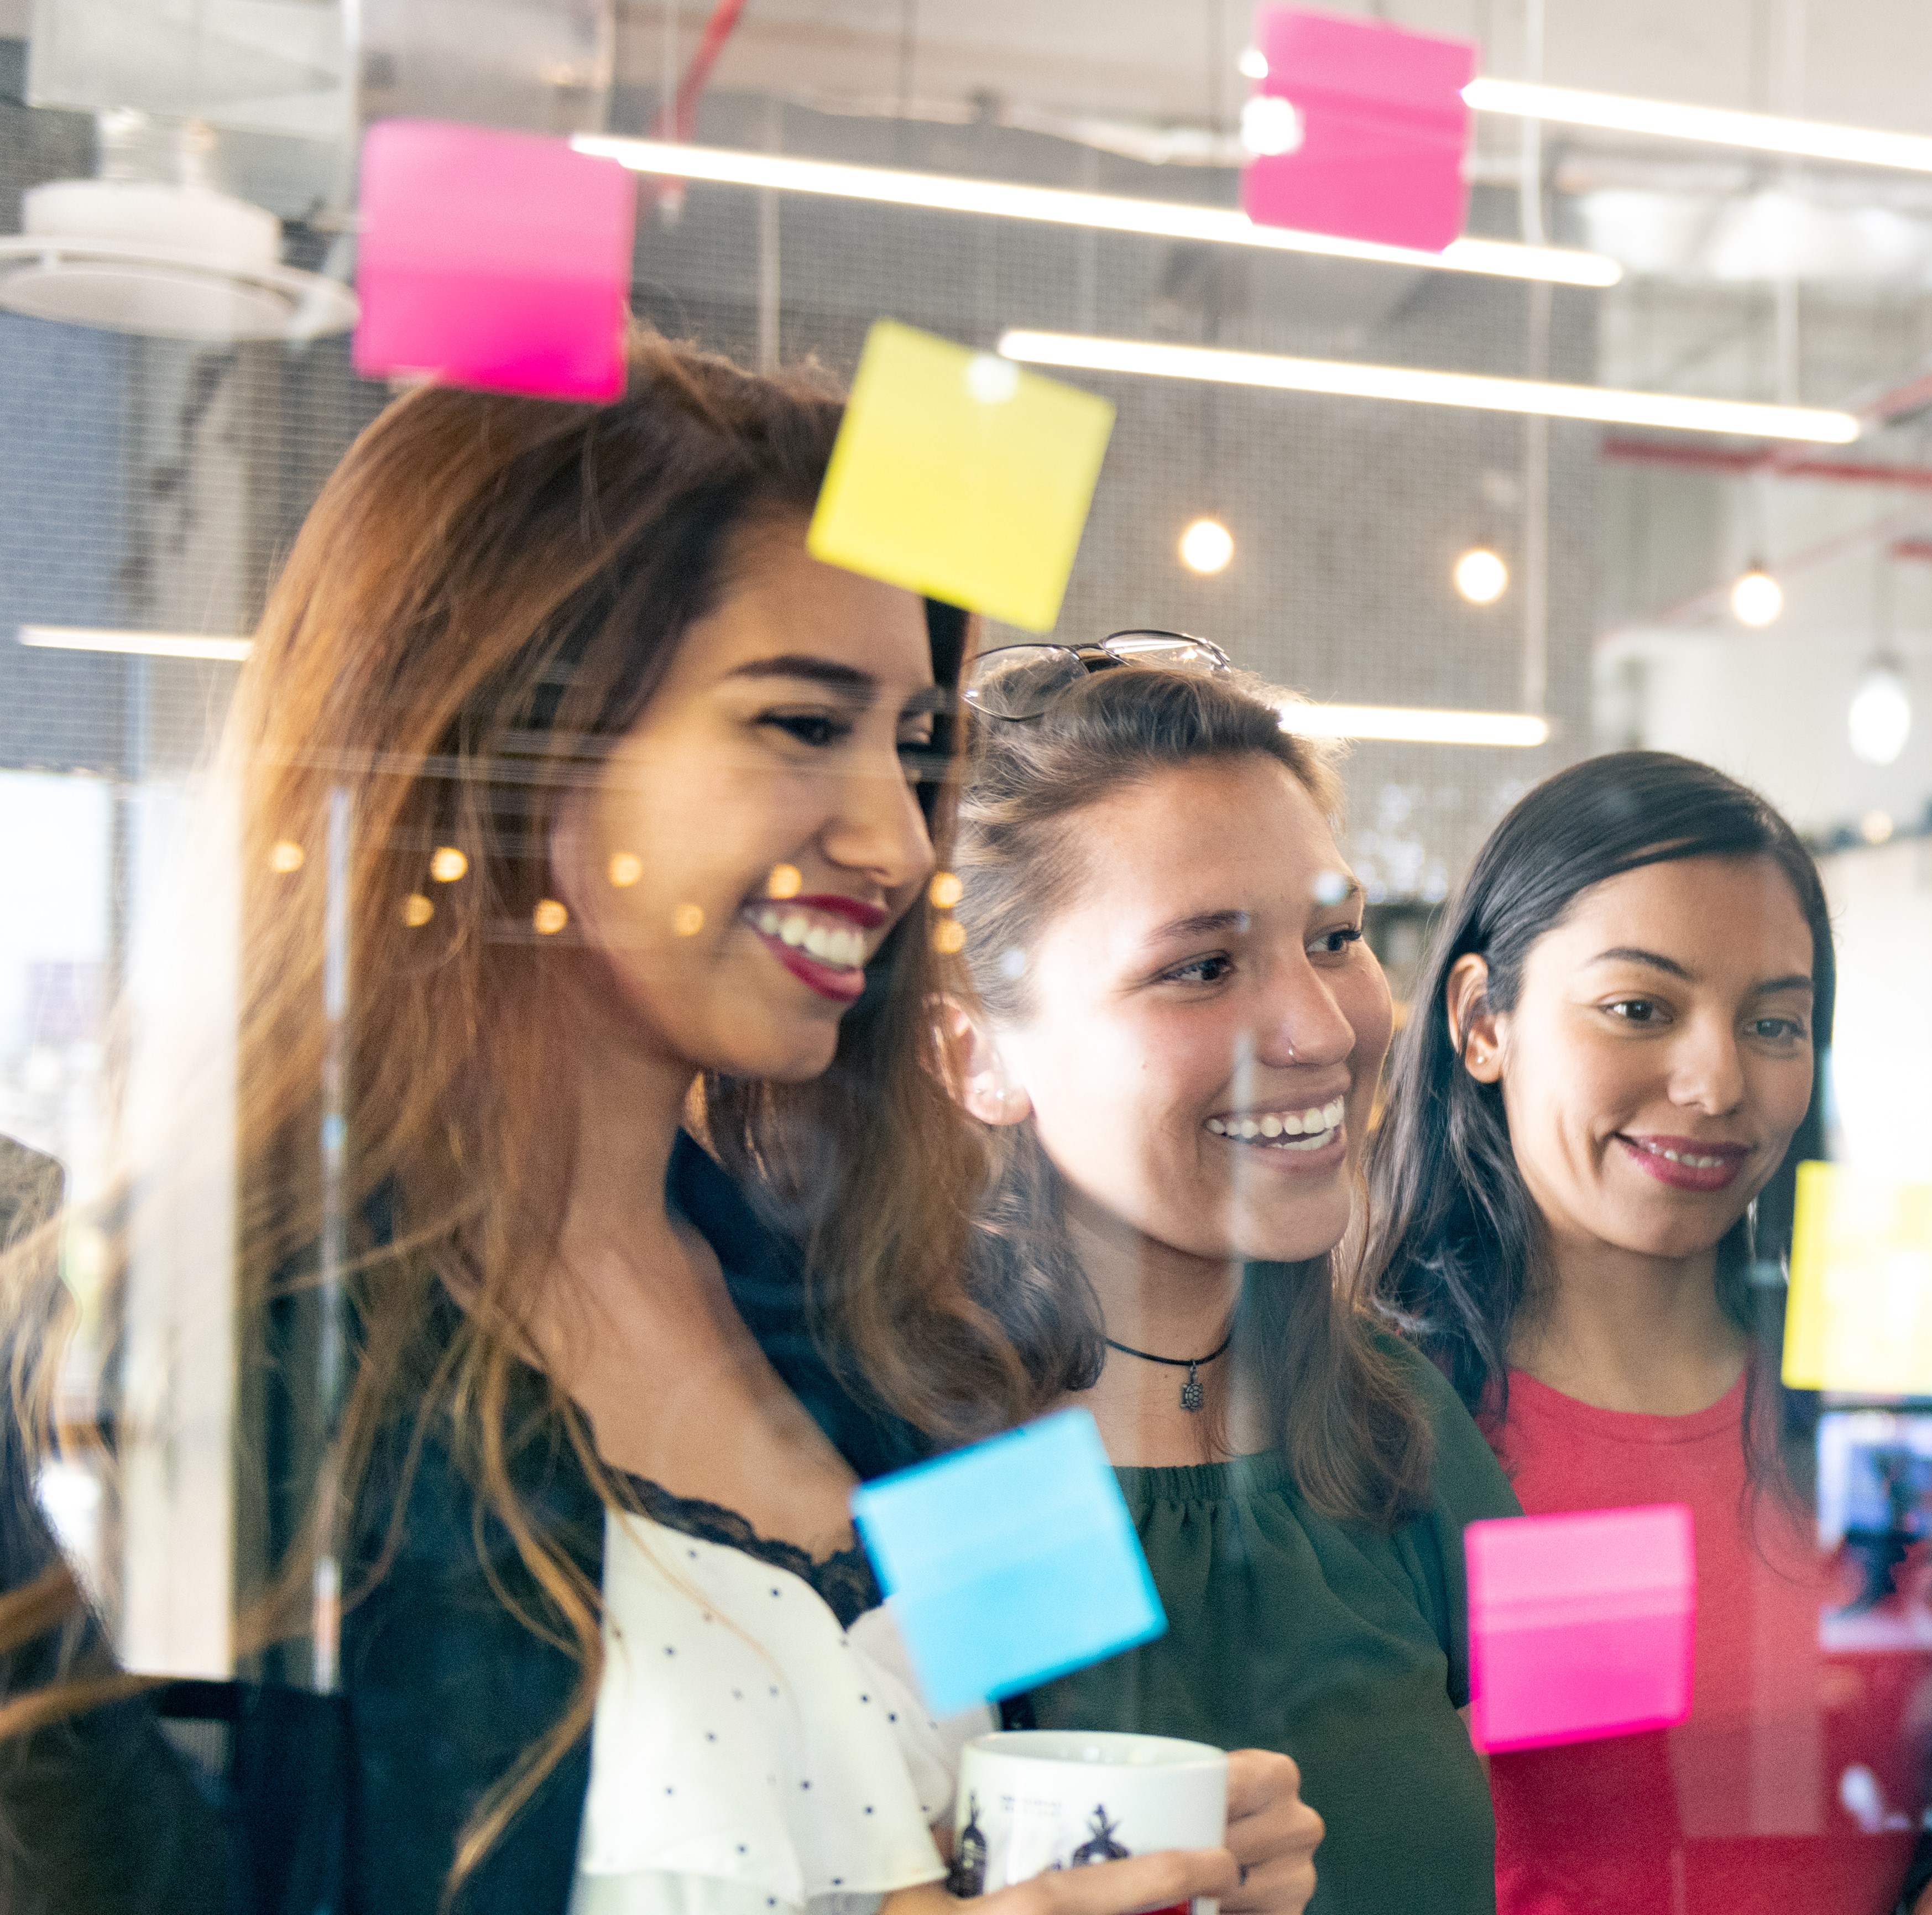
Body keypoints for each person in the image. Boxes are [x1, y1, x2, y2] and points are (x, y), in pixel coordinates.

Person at [0, 336, 1313, 1912]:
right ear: (502, 734)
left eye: (913, 751)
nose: (899, 842)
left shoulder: (918, 1328)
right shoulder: (205, 1352)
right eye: (800, 724)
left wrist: (1187, 1846)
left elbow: (1065, 1748)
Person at [1353, 750, 1932, 1915]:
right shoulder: (1379, 1423)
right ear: (1482, 1021)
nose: (1716, 1084)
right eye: (1639, 1009)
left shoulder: (1882, 1387)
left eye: (1774, 1023)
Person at [933, 639, 1519, 1914]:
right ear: (974, 1050)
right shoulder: (910, 1468)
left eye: (1335, 936)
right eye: (1202, 966)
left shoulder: (1393, 1426)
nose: (1322, 1027)